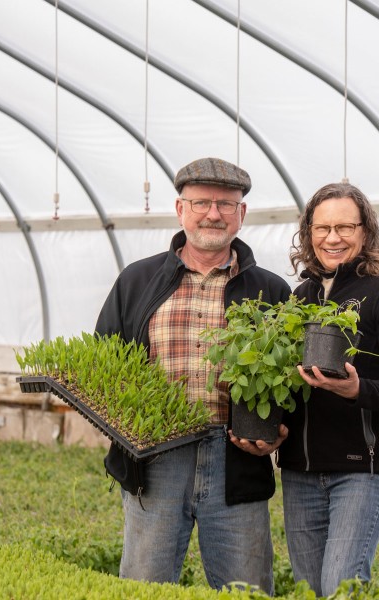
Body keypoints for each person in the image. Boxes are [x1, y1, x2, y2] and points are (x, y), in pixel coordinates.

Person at [94, 157, 289, 594]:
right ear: (181, 210)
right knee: (145, 585)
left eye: (226, 203)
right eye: (201, 202)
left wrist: (278, 431)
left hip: (237, 458)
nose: (213, 213)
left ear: (242, 214)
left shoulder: (270, 290)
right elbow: (102, 360)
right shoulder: (137, 280)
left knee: (247, 587)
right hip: (156, 457)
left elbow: (289, 382)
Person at [277, 182, 379, 597]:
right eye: (322, 227)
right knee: (310, 588)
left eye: (345, 226)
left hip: (361, 467)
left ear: (365, 231)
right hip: (300, 470)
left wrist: (358, 391)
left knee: (341, 586)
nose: (333, 237)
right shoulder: (301, 297)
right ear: (309, 233)